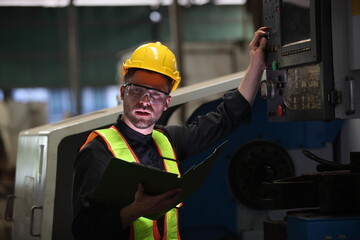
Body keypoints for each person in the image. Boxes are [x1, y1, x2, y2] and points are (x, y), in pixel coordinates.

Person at [72, 26, 268, 240]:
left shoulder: (169, 140)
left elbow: (228, 116)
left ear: (166, 103)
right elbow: (84, 231)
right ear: (122, 93)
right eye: (136, 90)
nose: (145, 101)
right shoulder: (98, 151)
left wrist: (257, 65)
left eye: (155, 94)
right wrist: (135, 211)